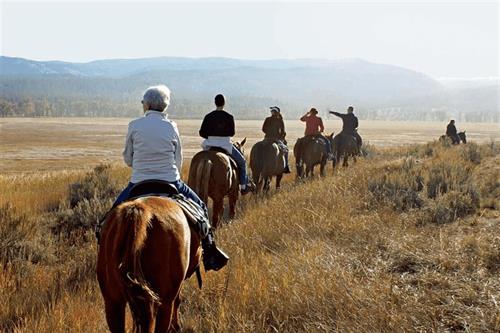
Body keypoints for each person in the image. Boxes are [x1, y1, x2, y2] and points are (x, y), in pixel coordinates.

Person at [113, 85, 228, 271]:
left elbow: (128, 158)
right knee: (201, 209)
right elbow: (178, 159)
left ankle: (107, 251)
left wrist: (142, 165)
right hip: (170, 181)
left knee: (109, 218)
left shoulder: (134, 125)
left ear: (147, 104)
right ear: (164, 106)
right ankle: (209, 251)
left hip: (138, 182)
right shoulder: (172, 126)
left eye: (143, 103)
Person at [199, 94, 253, 194]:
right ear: (224, 103)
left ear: (215, 103)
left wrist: (211, 137)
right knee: (242, 162)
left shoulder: (208, 116)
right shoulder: (229, 117)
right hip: (226, 145)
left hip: (209, 145)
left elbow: (201, 133)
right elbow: (232, 133)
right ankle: (244, 186)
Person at [262, 106, 291, 173]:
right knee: (286, 150)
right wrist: (280, 136)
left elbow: (263, 129)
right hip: (276, 139)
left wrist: (268, 133)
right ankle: (286, 166)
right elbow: (283, 131)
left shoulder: (267, 119)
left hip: (267, 138)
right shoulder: (280, 120)